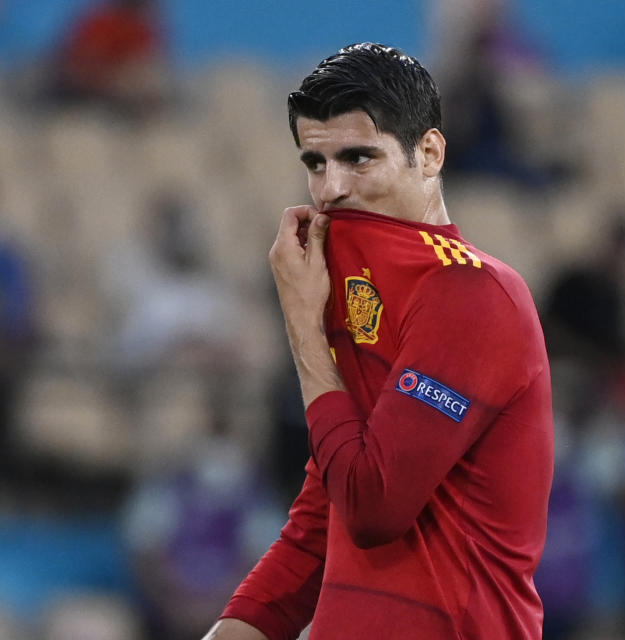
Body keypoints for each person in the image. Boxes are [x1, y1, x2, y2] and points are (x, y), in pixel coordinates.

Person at [203, 43, 554, 640]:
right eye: (314, 163)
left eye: (358, 158)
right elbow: (321, 523)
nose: (330, 189)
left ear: (429, 153)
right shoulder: (367, 301)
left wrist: (303, 328)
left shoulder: (474, 294)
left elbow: (373, 505)